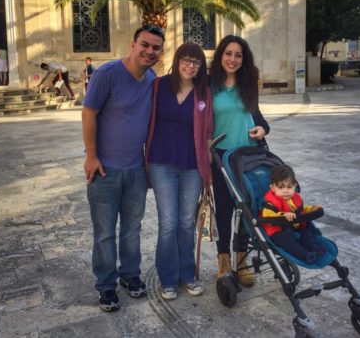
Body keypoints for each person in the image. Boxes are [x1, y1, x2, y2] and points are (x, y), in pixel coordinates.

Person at [82, 24, 164, 312]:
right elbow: (89, 113)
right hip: (105, 170)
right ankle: (106, 286)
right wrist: (91, 156)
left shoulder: (152, 79)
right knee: (104, 232)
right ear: (133, 44)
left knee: (132, 229)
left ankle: (130, 275)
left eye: (156, 47)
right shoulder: (107, 74)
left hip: (136, 171)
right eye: (145, 44)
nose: (150, 51)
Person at [145, 43, 213, 301]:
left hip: (192, 166)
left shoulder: (204, 93)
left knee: (186, 223)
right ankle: (168, 279)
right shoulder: (159, 86)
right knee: (168, 223)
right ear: (177, 61)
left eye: (195, 62)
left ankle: (187, 275)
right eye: (185, 60)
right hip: (161, 162)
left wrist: (208, 170)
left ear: (200, 66)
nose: (190, 65)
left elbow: (208, 132)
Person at [209, 34, 270, 286]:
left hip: (247, 154)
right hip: (221, 156)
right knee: (223, 211)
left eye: (238, 55)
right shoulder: (209, 85)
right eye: (228, 53)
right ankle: (224, 261)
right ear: (220, 55)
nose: (232, 59)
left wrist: (263, 129)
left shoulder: (248, 82)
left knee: (248, 208)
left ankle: (242, 258)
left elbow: (256, 115)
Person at [261, 165, 325, 263]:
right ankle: (305, 255)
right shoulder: (270, 202)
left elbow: (301, 210)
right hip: (278, 230)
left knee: (306, 232)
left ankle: (314, 248)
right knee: (288, 241)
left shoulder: (294, 198)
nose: (286, 190)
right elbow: (267, 215)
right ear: (272, 188)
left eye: (289, 187)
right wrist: (283, 215)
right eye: (280, 187)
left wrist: (312, 209)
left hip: (294, 226)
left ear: (295, 185)